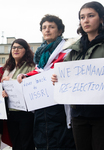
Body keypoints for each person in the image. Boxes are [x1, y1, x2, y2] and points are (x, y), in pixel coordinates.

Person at [18, 15, 75, 150]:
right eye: (44, 27)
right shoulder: (41, 54)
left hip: (58, 106)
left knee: (60, 141)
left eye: (51, 27)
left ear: (60, 31)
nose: (47, 30)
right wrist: (25, 76)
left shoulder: (67, 52)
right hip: (41, 105)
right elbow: (40, 71)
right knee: (42, 140)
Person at [52, 2, 104, 150]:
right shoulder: (74, 49)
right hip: (79, 113)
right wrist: (57, 78)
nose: (85, 20)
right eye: (82, 17)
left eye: (91, 16)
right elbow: (63, 73)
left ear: (101, 18)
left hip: (101, 113)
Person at [2, 38, 35, 150]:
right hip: (11, 112)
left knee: (26, 144)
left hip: (25, 112)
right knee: (15, 144)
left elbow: (30, 84)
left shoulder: (31, 66)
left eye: (19, 47)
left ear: (25, 50)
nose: (16, 49)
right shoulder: (7, 67)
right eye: (13, 47)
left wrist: (10, 81)